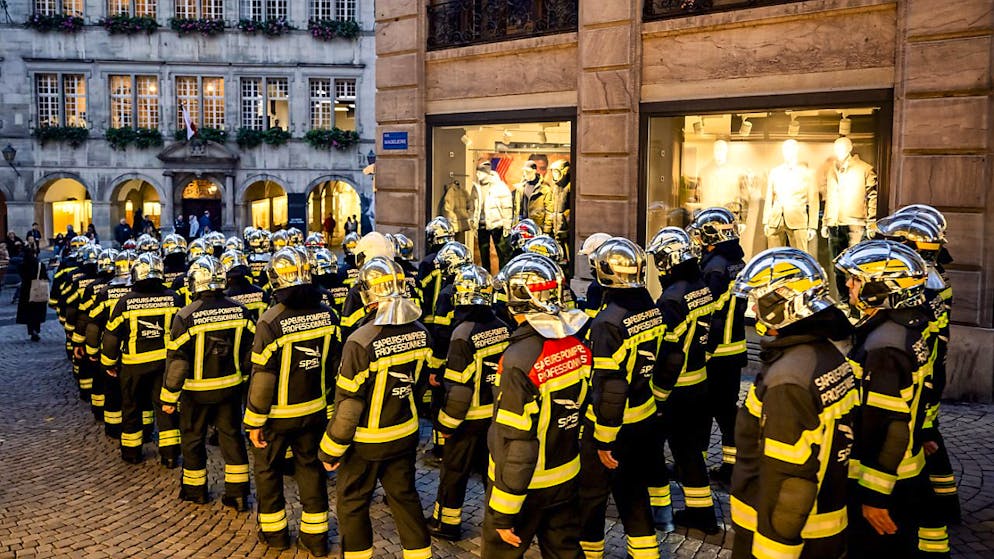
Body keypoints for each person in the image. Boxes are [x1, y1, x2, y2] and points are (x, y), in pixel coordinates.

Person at [730, 247, 856, 559]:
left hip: (782, 537)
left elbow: (789, 479)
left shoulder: (789, 379)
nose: (754, 310)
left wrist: (774, 551)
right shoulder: (825, 355)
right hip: (823, 524)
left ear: (779, 305)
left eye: (758, 300)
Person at [319, 256, 433, 559]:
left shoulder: (360, 340)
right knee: (405, 497)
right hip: (406, 432)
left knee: (353, 502)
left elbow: (348, 405)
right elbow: (419, 385)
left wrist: (331, 451)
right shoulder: (421, 331)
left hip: (366, 441)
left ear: (367, 294)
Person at [836, 240, 940, 558]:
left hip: (885, 482)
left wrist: (875, 497)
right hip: (906, 472)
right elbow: (922, 394)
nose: (849, 286)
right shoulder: (906, 328)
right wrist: (922, 434)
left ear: (881, 289)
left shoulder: (884, 347)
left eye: (856, 280)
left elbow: (890, 425)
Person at [482, 253, 589, 559]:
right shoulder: (576, 346)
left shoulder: (518, 361)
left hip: (526, 486)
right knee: (564, 552)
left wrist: (504, 511)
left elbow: (517, 442)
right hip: (565, 475)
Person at [244, 248, 340, 554]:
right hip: (314, 410)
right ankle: (316, 538)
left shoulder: (270, 321)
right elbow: (335, 366)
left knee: (268, 471)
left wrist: (255, 420)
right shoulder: (328, 314)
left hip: (276, 416)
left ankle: (275, 535)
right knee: (310, 470)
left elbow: (263, 377)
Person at [578, 237, 663, 559]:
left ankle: (590, 553)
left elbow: (611, 386)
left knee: (592, 494)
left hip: (613, 423)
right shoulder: (650, 307)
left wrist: (604, 439)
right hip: (644, 414)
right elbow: (668, 358)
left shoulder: (607, 322)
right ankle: (646, 553)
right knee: (633, 491)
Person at [162, 256, 254, 511]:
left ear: (195, 283)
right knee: (232, 438)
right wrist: (243, 380)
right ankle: (237, 493)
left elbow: (178, 362)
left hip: (196, 392)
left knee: (192, 439)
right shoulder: (240, 310)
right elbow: (250, 353)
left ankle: (196, 490)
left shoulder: (186, 315)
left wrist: (169, 398)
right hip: (230, 389)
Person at [427, 264, 510, 541]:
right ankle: (501, 523)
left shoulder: (462, 334)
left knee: (454, 472)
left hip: (468, 417)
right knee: (493, 474)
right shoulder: (502, 326)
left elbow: (460, 390)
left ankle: (446, 523)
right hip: (495, 415)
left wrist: (446, 424)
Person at [645, 227, 717, 534]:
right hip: (699, 380)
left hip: (676, 388)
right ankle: (703, 513)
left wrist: (658, 395)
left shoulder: (671, 300)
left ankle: (659, 514)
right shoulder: (701, 286)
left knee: (654, 449)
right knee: (688, 451)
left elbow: (669, 354)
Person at [101, 252, 184, 466]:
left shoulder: (125, 302)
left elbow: (111, 336)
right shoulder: (173, 298)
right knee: (166, 408)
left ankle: (131, 451)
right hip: (164, 364)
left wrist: (109, 363)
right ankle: (170, 454)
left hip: (133, 365)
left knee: (131, 407)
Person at [687, 208, 748, 484]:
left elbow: (710, 312)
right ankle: (731, 464)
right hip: (735, 349)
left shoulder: (714, 267)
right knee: (727, 411)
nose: (697, 239)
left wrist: (705, 350)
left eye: (700, 234)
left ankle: (695, 464)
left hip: (717, 353)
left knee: (701, 411)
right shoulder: (737, 261)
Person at [16, 246, 47, 342]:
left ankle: (31, 330)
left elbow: (22, 276)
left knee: (29, 312)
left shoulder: (22, 265)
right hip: (38, 289)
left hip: (26, 290)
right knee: (37, 311)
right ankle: (36, 329)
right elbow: (44, 276)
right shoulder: (40, 265)